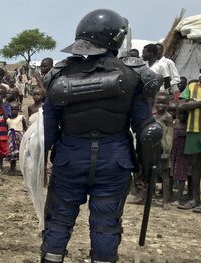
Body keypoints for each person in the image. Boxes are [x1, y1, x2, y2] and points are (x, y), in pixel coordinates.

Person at [41, 9, 160, 262]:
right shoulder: (134, 74)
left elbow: (48, 131)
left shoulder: (60, 75)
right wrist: (146, 170)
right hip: (114, 160)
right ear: (116, 38)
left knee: (59, 222)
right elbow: (147, 130)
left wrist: (45, 161)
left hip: (69, 159)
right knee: (106, 225)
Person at [177, 73, 201, 212]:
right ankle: (195, 199)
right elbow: (181, 106)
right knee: (195, 166)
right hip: (193, 131)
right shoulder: (191, 86)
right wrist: (198, 103)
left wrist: (192, 103)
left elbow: (187, 105)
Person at [154, 91, 174, 209]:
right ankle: (147, 196)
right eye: (158, 102)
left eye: (164, 103)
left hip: (163, 150)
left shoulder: (168, 117)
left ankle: (165, 201)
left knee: (165, 175)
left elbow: (169, 135)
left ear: (168, 104)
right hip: (153, 150)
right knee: (151, 174)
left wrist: (167, 151)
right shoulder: (154, 115)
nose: (160, 105)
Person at [169, 101, 190, 206]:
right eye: (180, 113)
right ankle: (171, 194)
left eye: (184, 114)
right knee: (173, 173)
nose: (182, 116)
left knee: (181, 176)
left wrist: (185, 134)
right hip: (174, 153)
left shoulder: (188, 126)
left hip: (183, 154)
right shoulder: (174, 123)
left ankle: (179, 198)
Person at [7, 101, 27, 176]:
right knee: (12, 154)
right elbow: (7, 129)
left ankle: (23, 169)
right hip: (11, 139)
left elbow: (25, 128)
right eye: (11, 109)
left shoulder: (21, 118)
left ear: (18, 110)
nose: (13, 111)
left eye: (15, 109)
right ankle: (12, 168)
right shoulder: (8, 120)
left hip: (19, 138)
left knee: (21, 153)